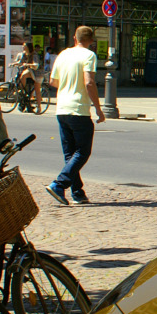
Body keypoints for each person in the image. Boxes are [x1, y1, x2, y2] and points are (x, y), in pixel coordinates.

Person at [46, 25, 106, 206]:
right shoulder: (89, 56)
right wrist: (98, 108)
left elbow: (53, 81)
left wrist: (67, 85)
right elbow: (89, 83)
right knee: (82, 151)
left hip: (62, 108)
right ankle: (59, 184)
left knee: (70, 153)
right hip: (78, 109)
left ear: (74, 38)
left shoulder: (63, 54)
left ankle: (77, 192)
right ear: (92, 41)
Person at [12, 41, 43, 111]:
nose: (23, 47)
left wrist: (28, 65)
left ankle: (39, 107)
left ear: (28, 47)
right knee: (23, 78)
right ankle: (23, 92)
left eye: (24, 46)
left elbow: (36, 65)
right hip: (30, 72)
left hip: (37, 73)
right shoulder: (24, 54)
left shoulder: (34, 54)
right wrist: (14, 64)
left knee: (37, 89)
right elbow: (20, 62)